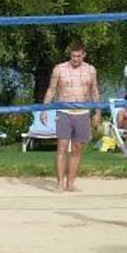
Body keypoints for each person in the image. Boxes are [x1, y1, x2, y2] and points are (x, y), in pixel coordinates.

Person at [40, 41, 101, 191]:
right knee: (61, 147)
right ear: (70, 55)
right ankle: (60, 183)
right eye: (73, 56)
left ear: (83, 55)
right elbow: (51, 90)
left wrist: (98, 112)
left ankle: (70, 183)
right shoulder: (60, 69)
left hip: (82, 111)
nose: (75, 59)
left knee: (77, 148)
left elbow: (94, 91)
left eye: (78, 56)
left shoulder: (90, 70)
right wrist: (44, 109)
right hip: (64, 111)